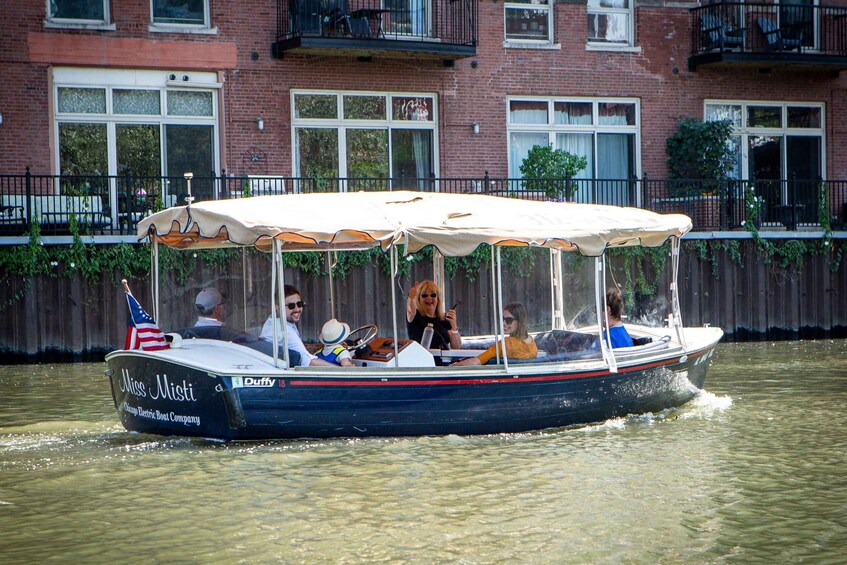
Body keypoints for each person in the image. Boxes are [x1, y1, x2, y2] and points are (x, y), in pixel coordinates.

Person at [260, 284, 335, 367]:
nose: (297, 309)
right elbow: (308, 362)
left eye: (299, 304)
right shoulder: (283, 329)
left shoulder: (273, 322)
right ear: (277, 308)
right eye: (291, 306)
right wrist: (343, 371)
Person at [455, 303, 537, 366]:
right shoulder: (533, 344)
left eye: (508, 320)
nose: (503, 323)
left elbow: (475, 362)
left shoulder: (505, 344)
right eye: (502, 319)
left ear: (519, 322)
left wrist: (452, 366)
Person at [406, 280, 461, 350]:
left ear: (437, 298)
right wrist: (411, 297)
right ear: (419, 299)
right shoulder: (416, 316)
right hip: (422, 359)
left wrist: (454, 326)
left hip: (444, 359)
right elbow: (410, 312)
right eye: (424, 295)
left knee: (475, 360)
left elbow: (457, 347)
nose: (429, 298)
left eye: (433, 295)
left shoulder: (444, 319)